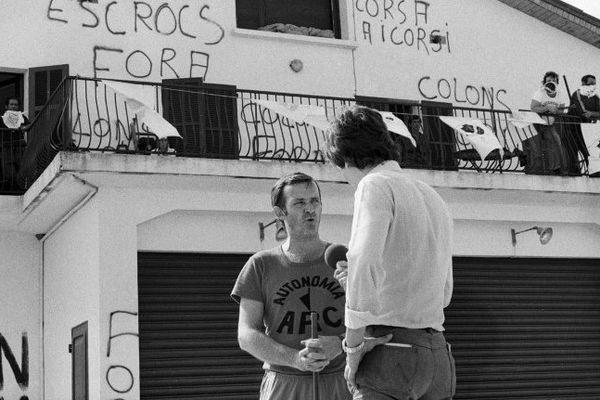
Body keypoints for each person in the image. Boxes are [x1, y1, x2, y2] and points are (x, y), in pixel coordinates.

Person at [325, 105, 455, 400]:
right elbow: (443, 293)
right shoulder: (433, 197)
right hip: (437, 356)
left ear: (346, 157)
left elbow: (362, 261)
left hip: (390, 354)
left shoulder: (373, 185)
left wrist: (353, 349)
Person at [232, 172, 385, 400]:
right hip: (284, 383)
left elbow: (376, 323)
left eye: (315, 201)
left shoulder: (346, 260)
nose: (310, 209)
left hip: (342, 381)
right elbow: (246, 334)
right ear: (280, 213)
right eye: (300, 203)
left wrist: (342, 343)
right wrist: (295, 359)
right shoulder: (260, 265)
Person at [530, 71, 569, 174]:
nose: (551, 82)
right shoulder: (540, 92)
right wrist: (546, 107)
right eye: (548, 81)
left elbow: (561, 109)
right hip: (537, 123)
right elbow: (533, 108)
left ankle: (556, 167)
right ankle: (542, 169)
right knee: (540, 146)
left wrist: (556, 110)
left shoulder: (560, 94)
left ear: (557, 83)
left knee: (556, 143)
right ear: (544, 82)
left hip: (550, 124)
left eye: (553, 81)